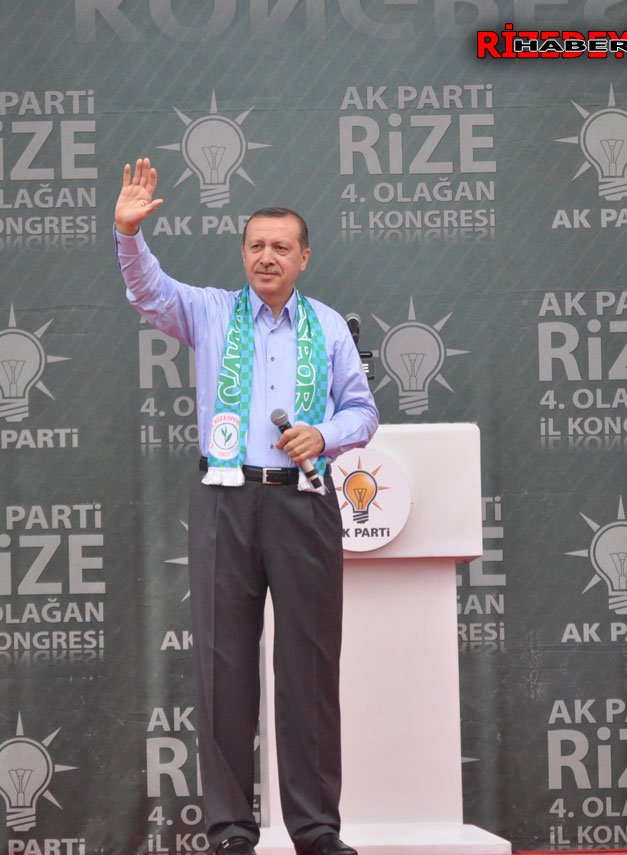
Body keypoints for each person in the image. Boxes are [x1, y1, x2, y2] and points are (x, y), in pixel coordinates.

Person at [114, 158, 378, 855]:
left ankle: (316, 831)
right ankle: (231, 831)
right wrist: (129, 235)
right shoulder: (208, 311)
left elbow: (363, 409)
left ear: (303, 257)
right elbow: (148, 292)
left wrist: (325, 434)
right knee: (223, 669)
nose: (267, 256)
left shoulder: (328, 327)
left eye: (280, 247)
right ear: (243, 254)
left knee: (309, 673)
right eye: (256, 245)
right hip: (224, 502)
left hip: (304, 503)